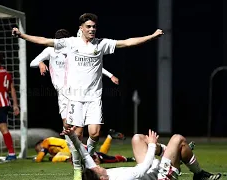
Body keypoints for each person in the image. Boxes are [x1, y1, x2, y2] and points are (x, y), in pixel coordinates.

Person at [12, 13, 164, 161]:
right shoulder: (71, 43)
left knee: (95, 133)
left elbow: (127, 42)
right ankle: (78, 167)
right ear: (81, 28)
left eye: (94, 27)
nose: (92, 29)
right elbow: (44, 41)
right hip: (74, 98)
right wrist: (22, 35)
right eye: (88, 26)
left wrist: (152, 36)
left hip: (93, 97)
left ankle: (88, 158)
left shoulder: (101, 44)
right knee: (76, 134)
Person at [30, 28, 120, 179]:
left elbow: (94, 65)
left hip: (76, 92)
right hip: (62, 95)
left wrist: (110, 75)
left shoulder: (73, 50)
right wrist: (40, 62)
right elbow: (32, 62)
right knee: (70, 129)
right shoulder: (50, 50)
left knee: (85, 131)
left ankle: (85, 160)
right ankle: (78, 164)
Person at [61, 127, 222, 180]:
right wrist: (152, 146)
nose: (95, 166)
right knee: (178, 139)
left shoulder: (98, 174)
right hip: (160, 176)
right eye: (95, 169)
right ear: (101, 178)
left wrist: (72, 136)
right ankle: (199, 174)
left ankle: (170, 152)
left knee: (137, 138)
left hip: (151, 169)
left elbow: (85, 155)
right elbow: (142, 169)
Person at [33, 130, 131, 164]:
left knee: (55, 159)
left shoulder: (46, 141)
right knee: (98, 155)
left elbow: (39, 158)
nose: (39, 150)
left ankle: (69, 159)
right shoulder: (52, 144)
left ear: (40, 144)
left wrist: (36, 158)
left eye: (38, 149)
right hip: (71, 147)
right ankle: (109, 137)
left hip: (71, 148)